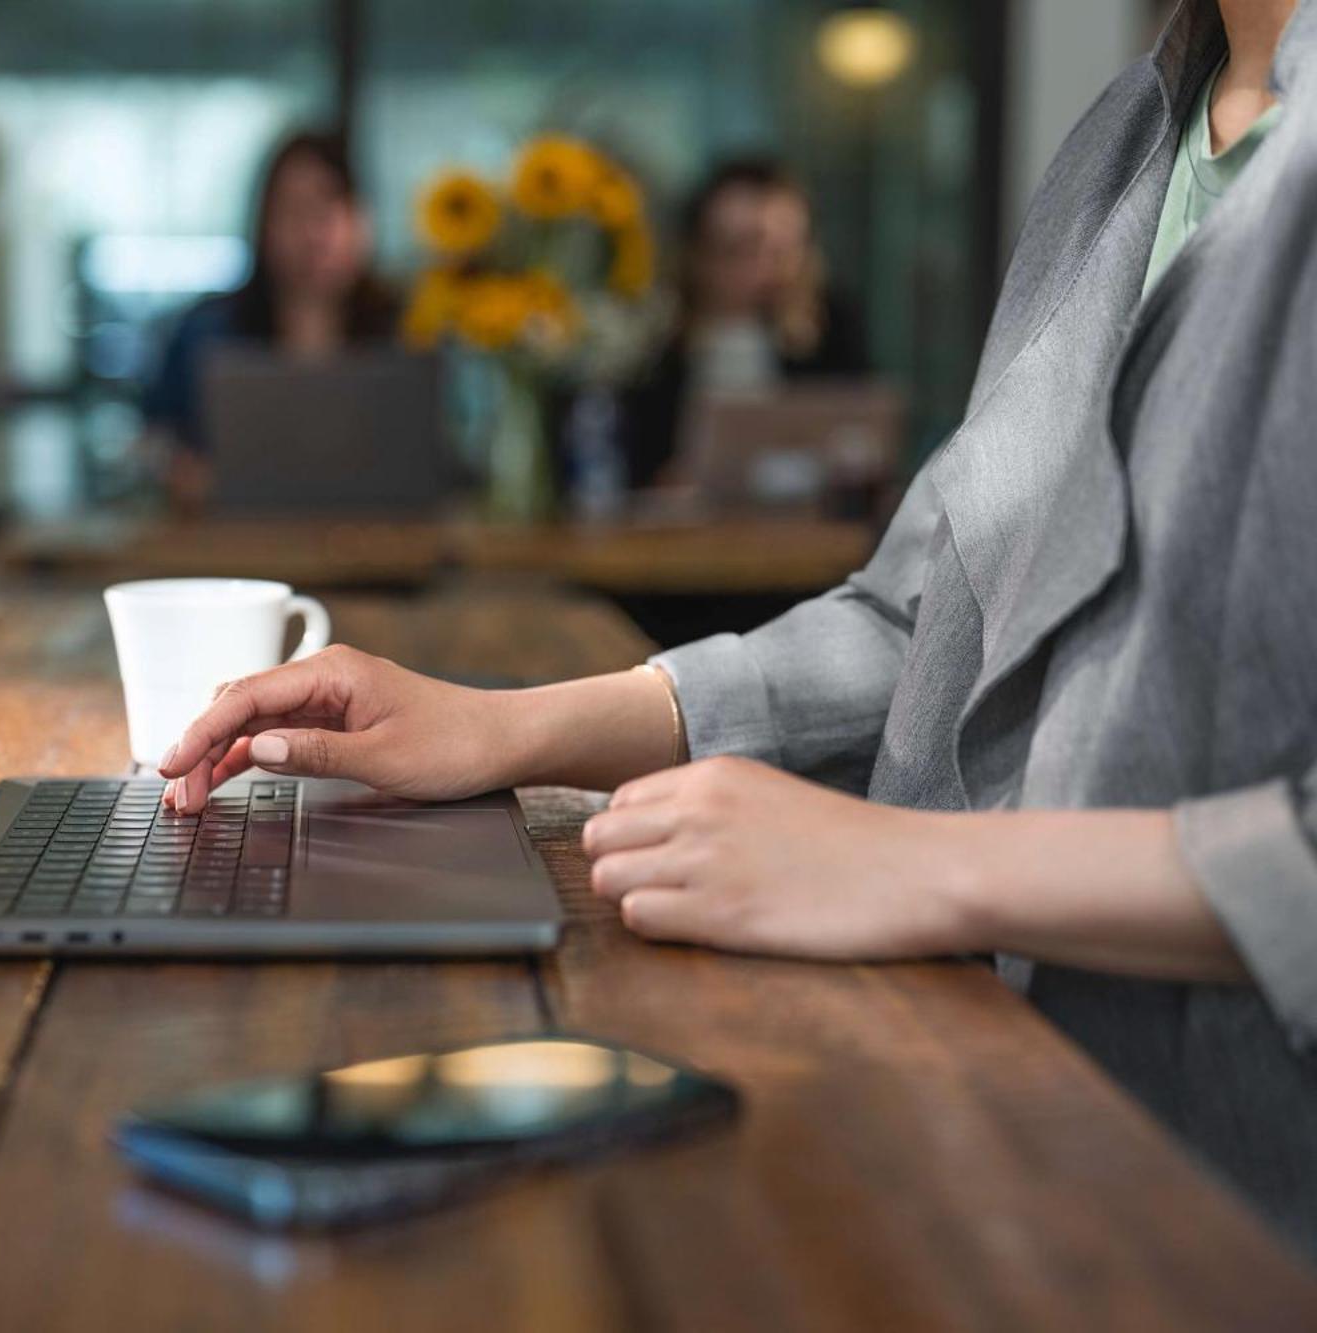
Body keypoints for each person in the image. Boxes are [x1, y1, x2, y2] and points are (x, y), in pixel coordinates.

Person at [159, 0, 1317, 1253]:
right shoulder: (1124, 146)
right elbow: (921, 615)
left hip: (1224, 1210)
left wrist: (914, 869)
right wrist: (505, 727)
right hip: (987, 1117)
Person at [140, 130, 397, 509]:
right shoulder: (205, 333)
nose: (314, 234)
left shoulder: (405, 334)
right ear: (263, 224)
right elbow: (151, 443)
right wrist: (180, 473)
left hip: (377, 552)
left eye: (329, 208)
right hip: (231, 552)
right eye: (294, 210)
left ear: (362, 221)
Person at [624, 158, 869, 487]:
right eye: (741, 250)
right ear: (698, 257)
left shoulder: (831, 329)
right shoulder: (654, 346)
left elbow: (862, 439)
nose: (767, 271)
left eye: (783, 251)